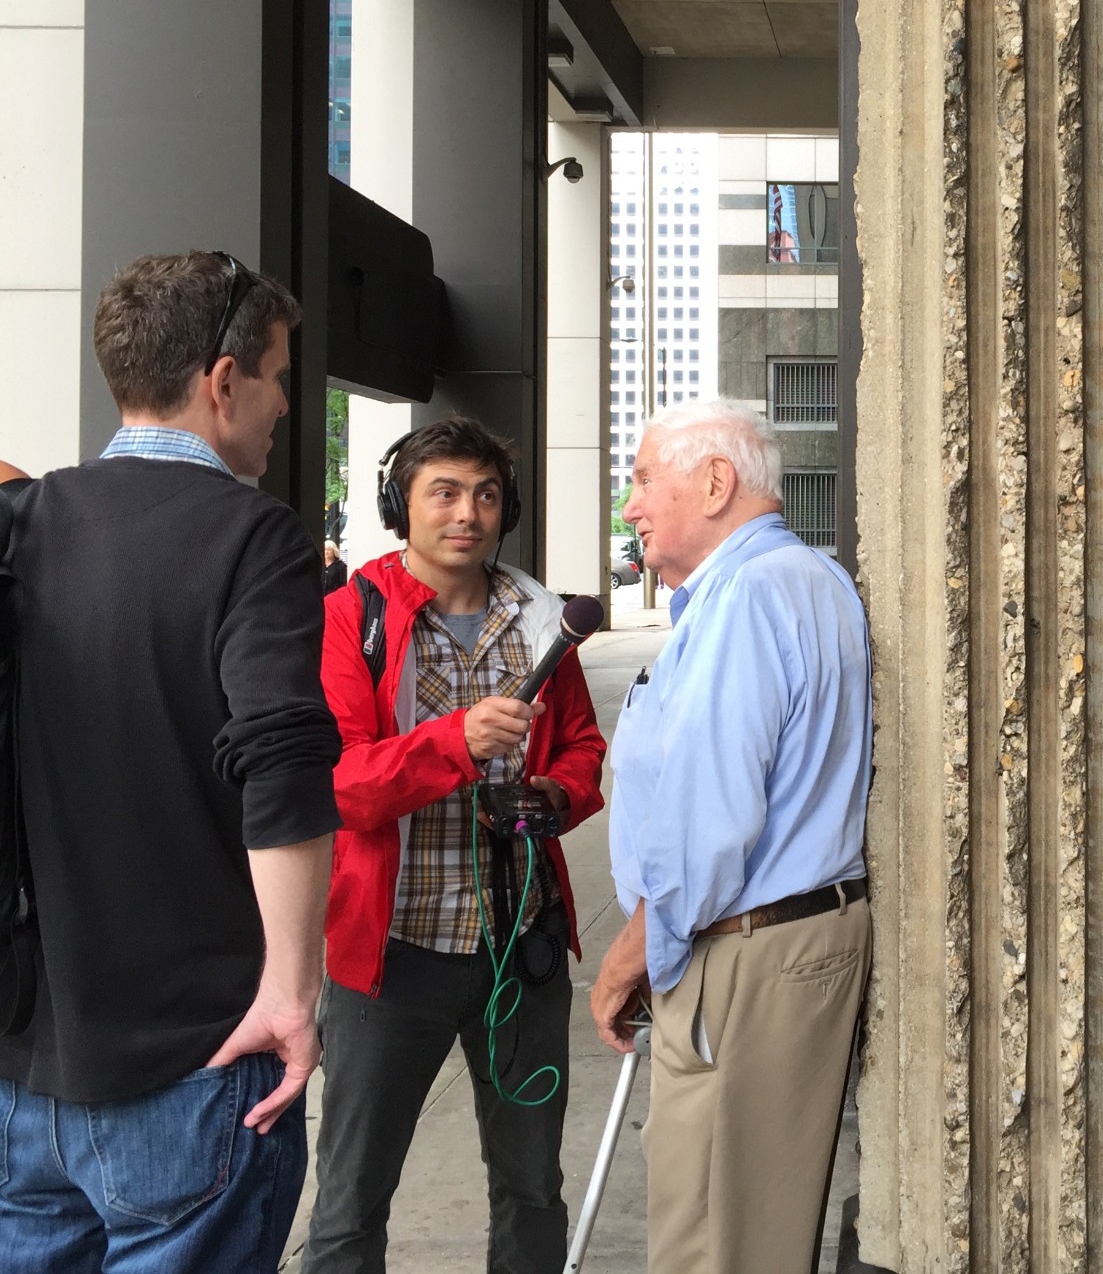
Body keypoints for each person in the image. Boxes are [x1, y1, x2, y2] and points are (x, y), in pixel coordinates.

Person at [0, 251, 342, 1270]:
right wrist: (291, 989)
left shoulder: (21, 526)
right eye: (278, 375)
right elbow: (279, 756)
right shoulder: (254, 540)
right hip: (199, 1061)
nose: (283, 403)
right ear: (222, 380)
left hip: (26, 1066)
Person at [305, 415, 606, 1274]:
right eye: (444, 492)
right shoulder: (349, 619)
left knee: (531, 1187)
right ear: (402, 505)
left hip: (522, 944)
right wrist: (455, 743)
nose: (467, 512)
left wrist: (557, 793)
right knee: (351, 1199)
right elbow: (339, 784)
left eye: (485, 493)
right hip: (392, 957)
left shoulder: (544, 618)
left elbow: (583, 748)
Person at [590, 399, 871, 1274]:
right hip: (777, 939)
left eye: (642, 480)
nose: (630, 507)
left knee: (712, 1239)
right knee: (748, 1228)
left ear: (715, 482)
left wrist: (635, 951)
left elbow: (707, 817)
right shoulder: (804, 578)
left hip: (742, 948)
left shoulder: (747, 595)